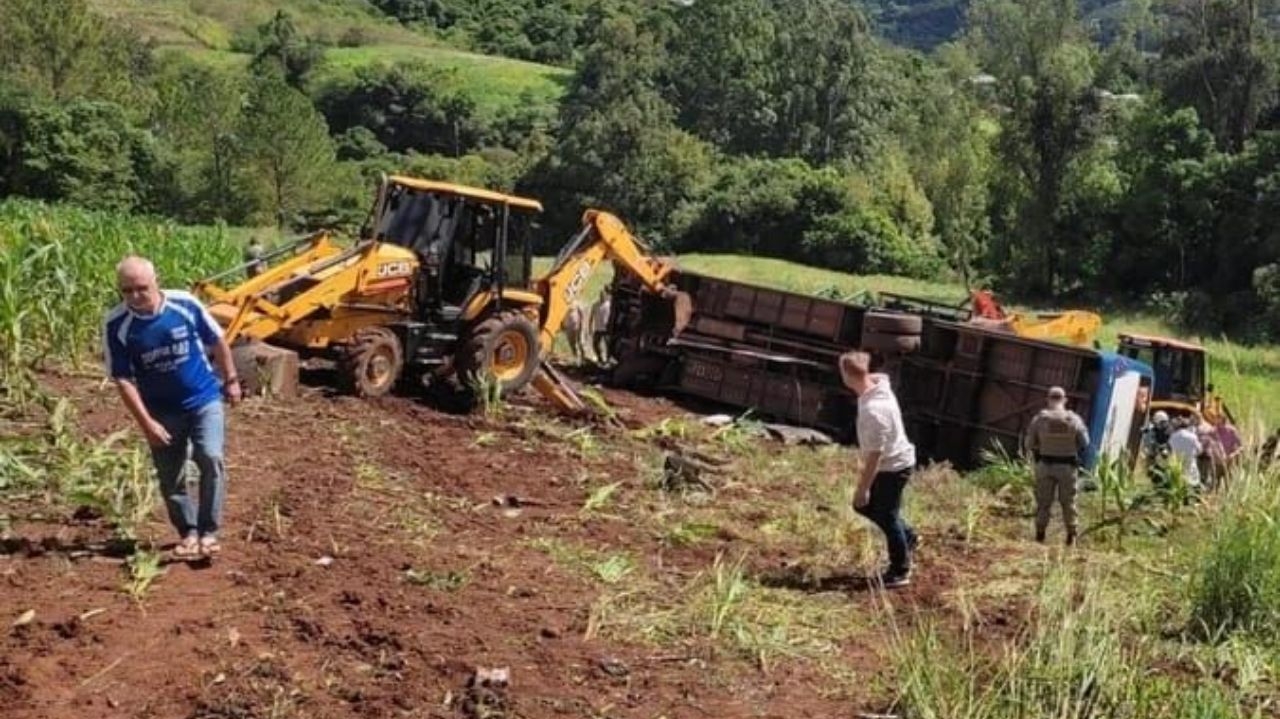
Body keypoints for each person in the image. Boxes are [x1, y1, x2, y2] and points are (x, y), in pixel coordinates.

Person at [103, 256, 241, 558]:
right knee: (172, 476)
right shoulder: (117, 324)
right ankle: (188, 532)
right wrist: (147, 424)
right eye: (127, 291)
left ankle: (209, 531)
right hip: (161, 411)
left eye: (142, 288)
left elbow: (217, 340)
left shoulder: (184, 304)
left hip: (204, 398)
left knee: (211, 456)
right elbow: (123, 379)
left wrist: (231, 379)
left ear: (156, 282)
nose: (135, 297)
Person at [839, 350, 918, 589]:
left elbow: (875, 456)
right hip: (897, 461)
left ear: (847, 375)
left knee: (884, 513)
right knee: (882, 512)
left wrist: (863, 489)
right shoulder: (880, 384)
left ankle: (900, 570)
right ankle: (909, 538)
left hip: (892, 467)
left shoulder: (874, 410)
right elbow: (878, 375)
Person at [1024, 386, 1089, 546]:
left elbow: (1028, 444)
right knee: (1068, 502)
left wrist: (1042, 445)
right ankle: (1071, 537)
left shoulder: (1039, 419)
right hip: (1067, 467)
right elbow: (1085, 443)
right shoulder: (1074, 419)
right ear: (1064, 400)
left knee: (1043, 502)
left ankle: (1040, 535)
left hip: (1045, 465)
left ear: (1048, 399)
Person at [1168, 416, 1203, 490]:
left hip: (1177, 462)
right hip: (1190, 461)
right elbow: (1200, 450)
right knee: (1192, 480)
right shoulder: (1193, 437)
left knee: (1179, 481)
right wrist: (1195, 455)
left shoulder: (1173, 436)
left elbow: (1170, 450)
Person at [589, 290, 612, 364]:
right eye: (601, 296)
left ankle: (608, 360)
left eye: (604, 296)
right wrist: (590, 327)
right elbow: (591, 316)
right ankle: (600, 358)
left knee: (608, 345)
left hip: (606, 329)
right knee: (595, 344)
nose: (602, 297)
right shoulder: (595, 305)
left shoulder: (609, 305)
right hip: (598, 328)